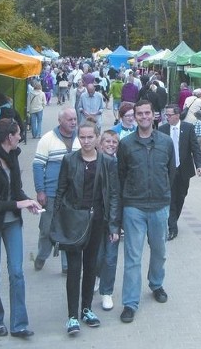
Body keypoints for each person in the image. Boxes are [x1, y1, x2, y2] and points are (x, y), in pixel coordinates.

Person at [0, 118, 41, 338]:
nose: (20, 136)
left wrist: (29, 201)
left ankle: (19, 323)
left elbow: (16, 190)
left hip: (12, 223)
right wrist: (17, 204)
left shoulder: (12, 155)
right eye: (18, 133)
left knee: (17, 272)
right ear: (8, 137)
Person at [56, 121, 121, 335]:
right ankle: (72, 316)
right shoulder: (69, 160)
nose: (85, 141)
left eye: (89, 137)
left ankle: (86, 309)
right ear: (78, 138)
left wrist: (113, 225)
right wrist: (59, 222)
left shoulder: (107, 162)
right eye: (82, 137)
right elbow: (60, 191)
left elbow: (113, 195)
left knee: (91, 266)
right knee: (74, 269)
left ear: (97, 138)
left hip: (97, 220)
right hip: (74, 221)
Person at [116, 100, 176, 323]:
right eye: (138, 114)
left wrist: (164, 195)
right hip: (134, 207)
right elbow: (121, 175)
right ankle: (130, 302)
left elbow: (171, 173)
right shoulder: (126, 144)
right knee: (133, 256)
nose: (143, 117)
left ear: (154, 115)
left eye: (147, 113)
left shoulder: (166, 142)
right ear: (134, 116)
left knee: (159, 252)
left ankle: (156, 283)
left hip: (160, 206)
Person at [32, 108, 81, 273]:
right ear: (60, 121)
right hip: (52, 193)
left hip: (73, 194)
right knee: (47, 228)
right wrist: (40, 190)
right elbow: (38, 165)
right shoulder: (47, 139)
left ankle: (66, 265)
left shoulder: (80, 139)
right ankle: (41, 255)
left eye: (75, 119)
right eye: (70, 120)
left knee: (68, 228)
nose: (73, 122)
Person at [159, 104, 201, 241]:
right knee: (170, 198)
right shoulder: (162, 129)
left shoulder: (188, 128)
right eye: (166, 115)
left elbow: (195, 148)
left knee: (181, 196)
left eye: (169, 115)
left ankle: (174, 219)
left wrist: (199, 165)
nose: (167, 117)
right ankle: (172, 227)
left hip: (184, 169)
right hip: (167, 170)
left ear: (177, 115)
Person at [96, 130, 121, 311]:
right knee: (97, 256)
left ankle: (107, 292)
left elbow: (116, 196)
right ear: (100, 143)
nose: (111, 145)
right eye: (108, 142)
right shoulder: (94, 162)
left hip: (113, 218)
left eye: (114, 142)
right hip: (96, 218)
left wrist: (115, 224)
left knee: (110, 258)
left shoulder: (117, 163)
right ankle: (97, 276)